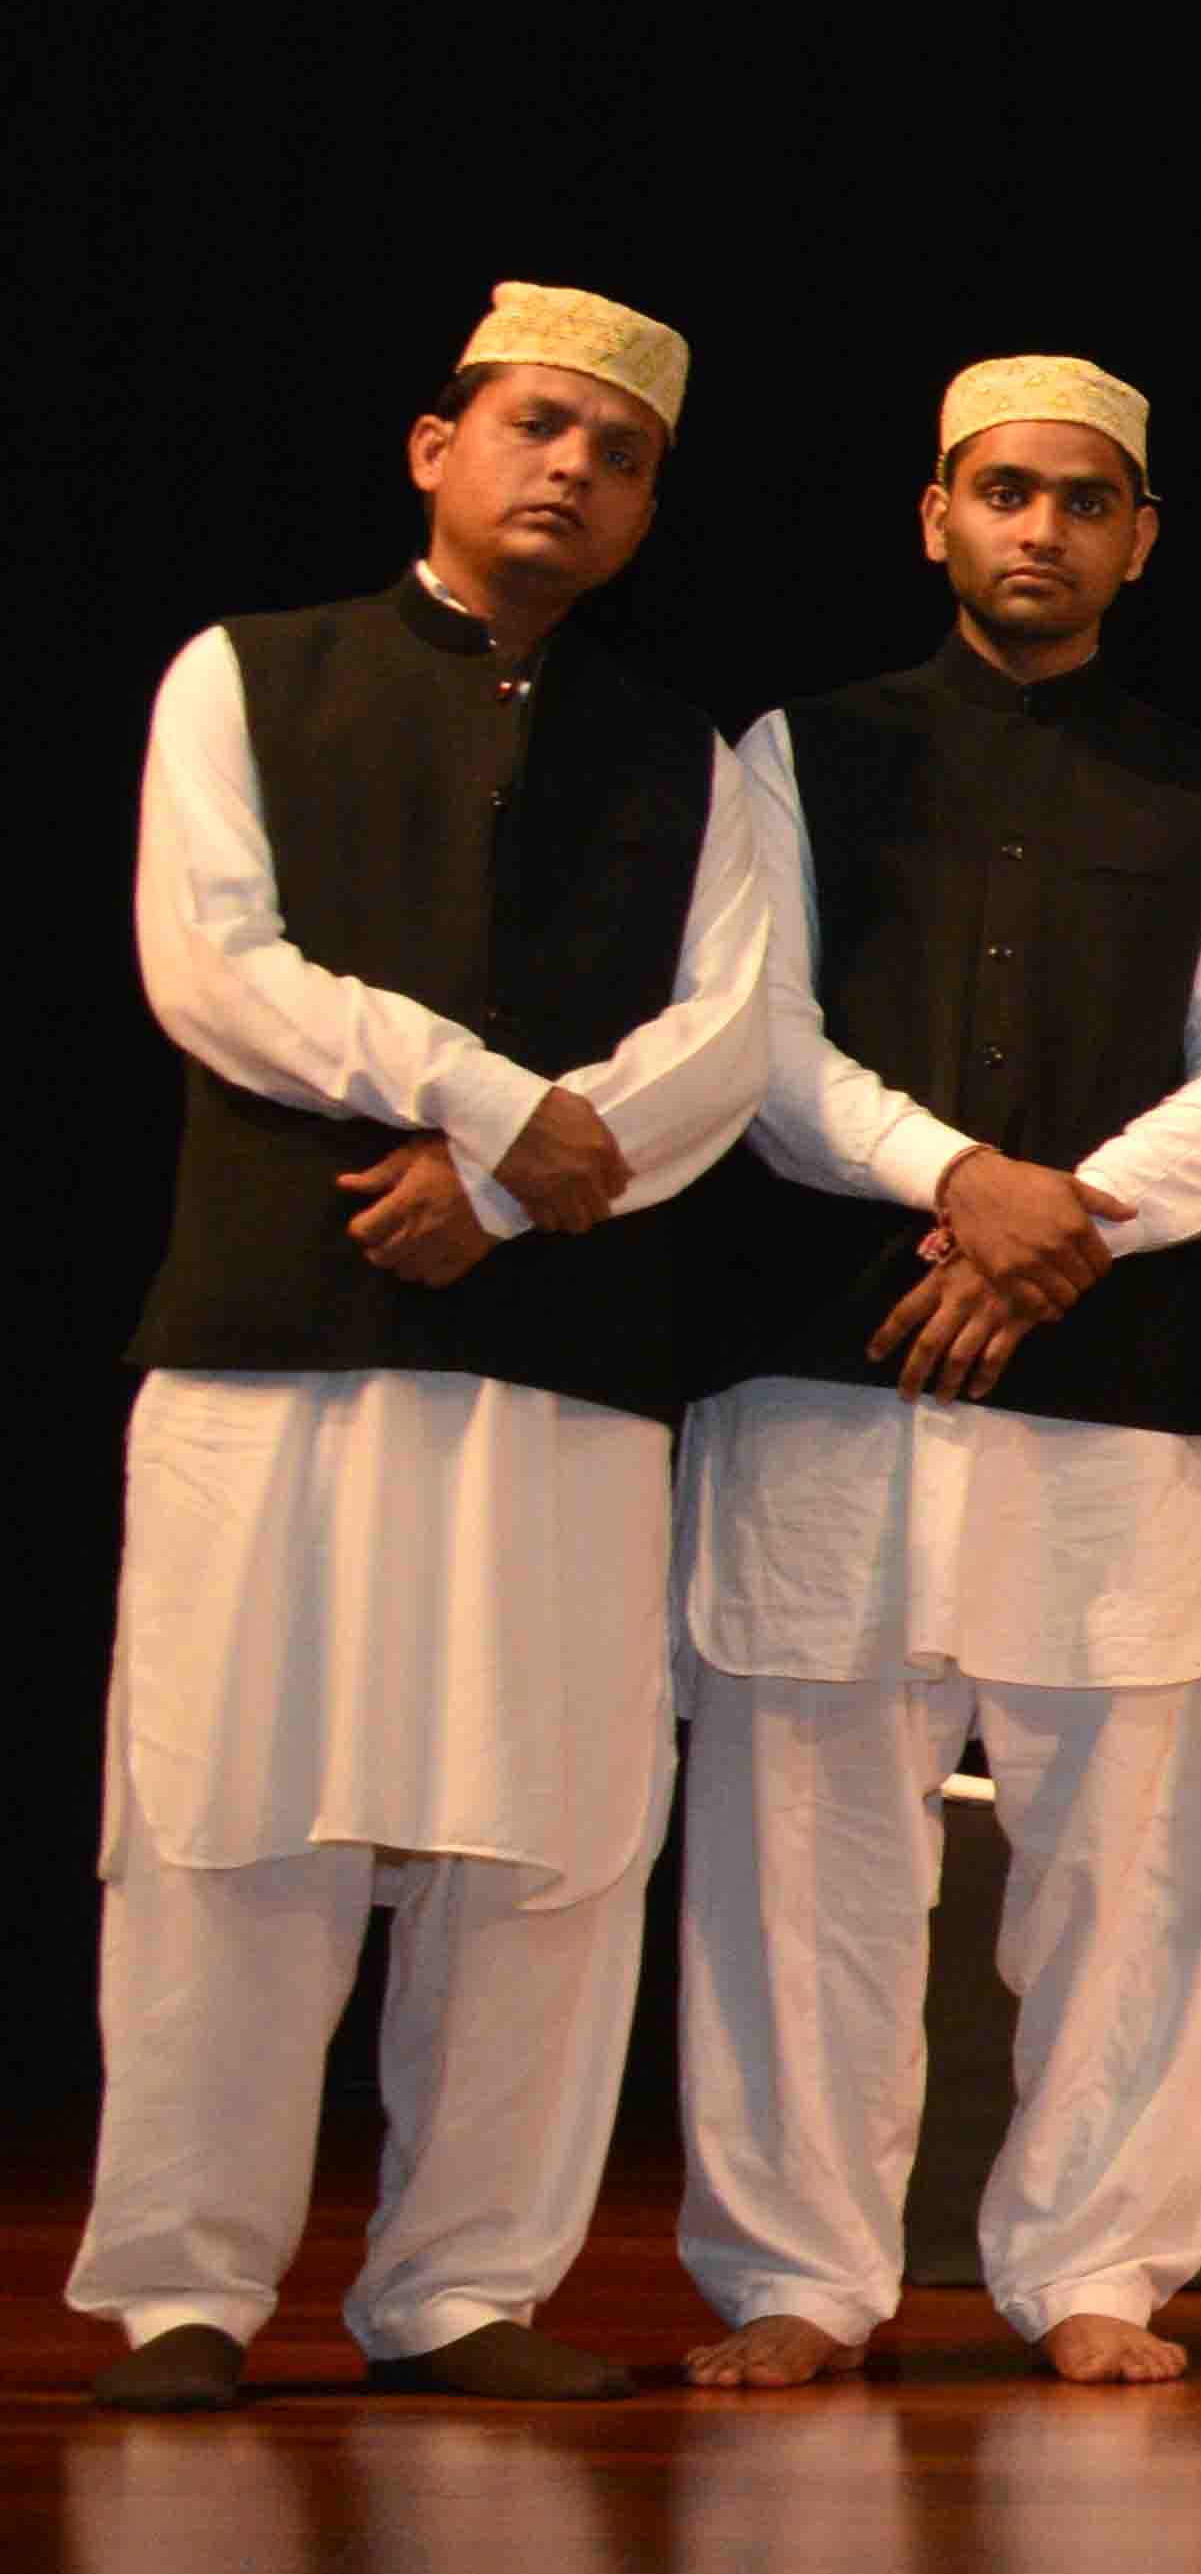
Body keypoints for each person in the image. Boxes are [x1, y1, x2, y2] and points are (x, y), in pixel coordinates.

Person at [77, 281, 784, 2409]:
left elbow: (727, 1042)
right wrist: (486, 1099)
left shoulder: (692, 750)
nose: (572, 467)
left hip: (554, 1349)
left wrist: (495, 1188)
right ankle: (186, 2287)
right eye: (538, 426)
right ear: (433, 445)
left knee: (545, 1829)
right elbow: (213, 963)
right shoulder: (252, 673)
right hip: (270, 1335)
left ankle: (465, 2288)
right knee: (229, 1812)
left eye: (622, 450)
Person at [668, 355, 1201, 2393]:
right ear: (933, 514)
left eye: (1084, 498)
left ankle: (1099, 2262)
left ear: (1140, 536)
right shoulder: (797, 750)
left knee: (1128, 1859)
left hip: (1116, 1385)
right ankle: (795, 2273)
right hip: (832, 1373)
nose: (1041, 528)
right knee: (800, 1857)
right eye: (1004, 492)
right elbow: (747, 1042)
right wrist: (959, 1180)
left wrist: (1067, 1228)